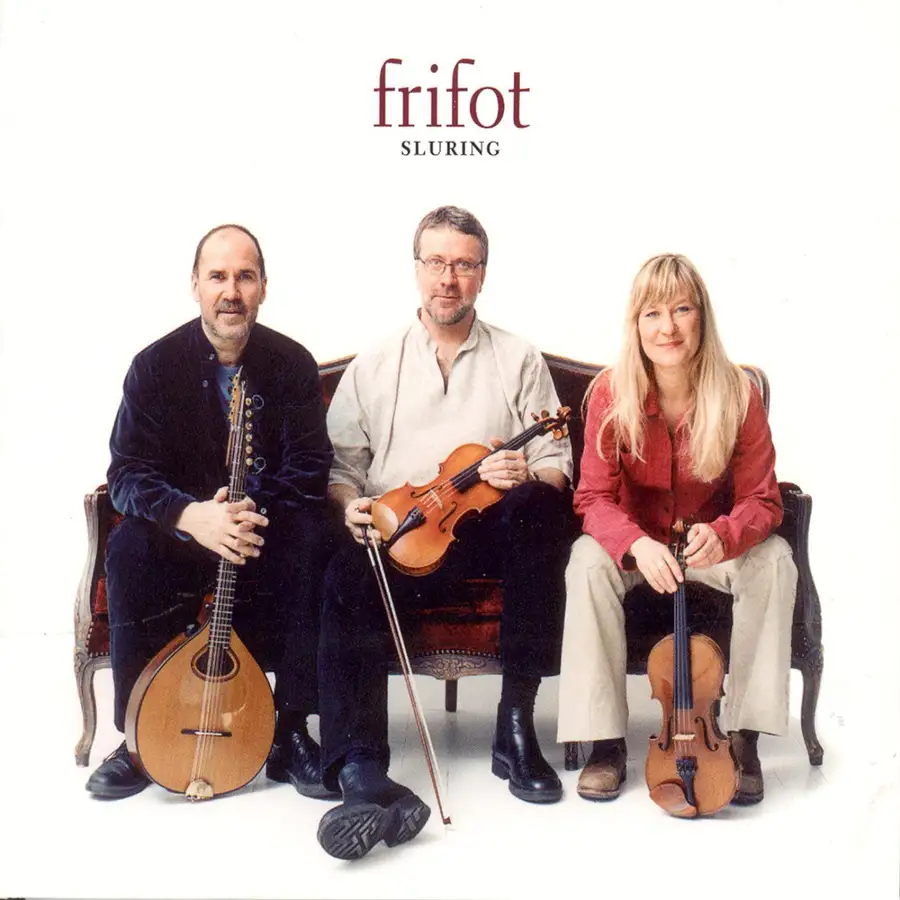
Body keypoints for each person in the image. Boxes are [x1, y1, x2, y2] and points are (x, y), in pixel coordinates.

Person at [315, 206, 575, 860]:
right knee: (346, 569)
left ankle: (515, 728)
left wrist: (525, 474)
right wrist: (351, 505)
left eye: (463, 264)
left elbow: (556, 464)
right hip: (403, 532)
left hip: (489, 536)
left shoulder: (517, 358)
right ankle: (361, 771)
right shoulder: (376, 362)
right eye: (436, 262)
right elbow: (342, 469)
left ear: (482, 273)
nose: (448, 279)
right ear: (417, 269)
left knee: (539, 510)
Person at [86, 224, 337, 802]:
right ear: (195, 284)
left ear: (263, 287)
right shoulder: (154, 366)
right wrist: (191, 515)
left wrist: (249, 513)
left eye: (245, 277)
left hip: (260, 532)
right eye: (218, 276)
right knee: (129, 547)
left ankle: (290, 731)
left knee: (314, 539)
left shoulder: (292, 363)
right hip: (185, 533)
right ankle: (136, 738)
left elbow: (309, 467)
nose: (231, 291)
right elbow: (127, 473)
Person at [557, 253, 797, 806]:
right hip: (639, 548)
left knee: (775, 559)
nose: (667, 327)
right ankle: (604, 743)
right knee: (586, 561)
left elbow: (763, 499)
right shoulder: (609, 393)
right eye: (653, 313)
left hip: (707, 547)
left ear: (702, 317)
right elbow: (592, 498)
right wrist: (635, 543)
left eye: (682, 310)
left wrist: (726, 534)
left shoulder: (738, 393)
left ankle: (744, 738)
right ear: (636, 324)